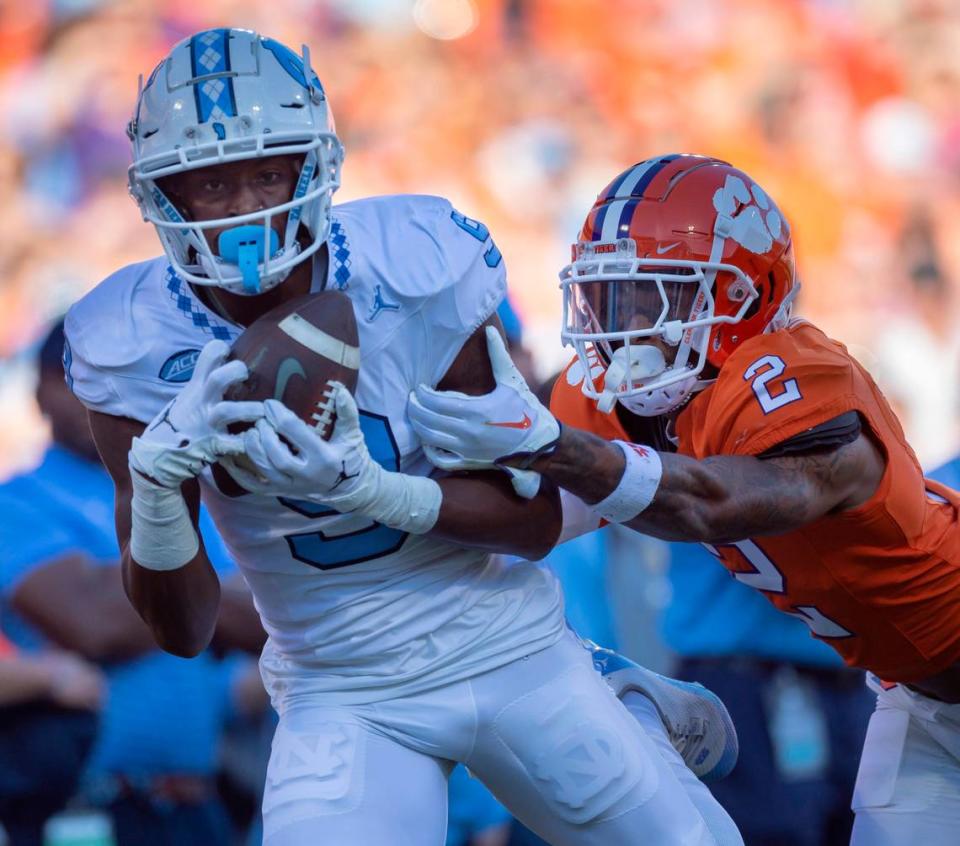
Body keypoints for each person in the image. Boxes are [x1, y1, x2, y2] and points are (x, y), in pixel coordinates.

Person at [64, 32, 741, 846]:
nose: (245, 206)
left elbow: (527, 525)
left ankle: (603, 687)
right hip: (338, 685)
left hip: (504, 640)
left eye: (267, 172)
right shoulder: (127, 342)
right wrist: (161, 494)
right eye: (211, 183)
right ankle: (615, 695)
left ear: (314, 168)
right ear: (163, 194)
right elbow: (183, 632)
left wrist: (377, 494)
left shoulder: (416, 265)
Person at [408, 153, 960, 846]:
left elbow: (714, 502)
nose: (623, 327)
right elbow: (532, 500)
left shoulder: (795, 378)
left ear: (742, 297)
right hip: (916, 699)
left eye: (650, 298)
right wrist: (385, 485)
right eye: (612, 298)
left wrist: (548, 443)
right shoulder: (644, 403)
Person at [0, 320, 258, 846]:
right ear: (41, 392)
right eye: (82, 380)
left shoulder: (193, 500)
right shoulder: (16, 503)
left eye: (125, 379)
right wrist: (203, 596)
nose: (107, 399)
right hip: (87, 810)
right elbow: (93, 624)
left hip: (198, 803)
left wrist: (162, 594)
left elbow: (269, 618)